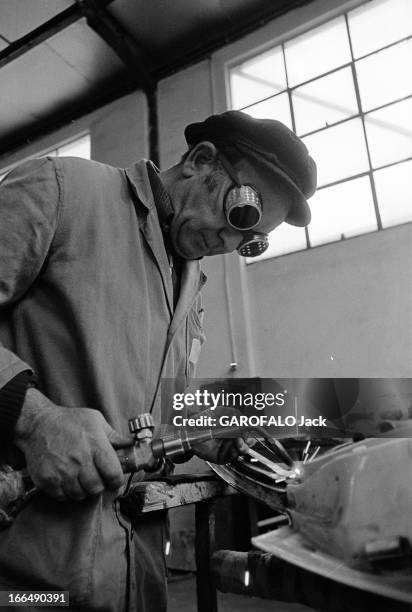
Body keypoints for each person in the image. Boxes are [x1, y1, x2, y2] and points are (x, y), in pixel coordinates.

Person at [0, 111, 316, 611]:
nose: (230, 244)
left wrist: (205, 426)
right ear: (201, 160)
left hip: (134, 579)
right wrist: (34, 420)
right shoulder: (66, 190)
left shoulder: (190, 286)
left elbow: (145, 404)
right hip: (26, 582)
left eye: (252, 241)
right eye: (242, 214)